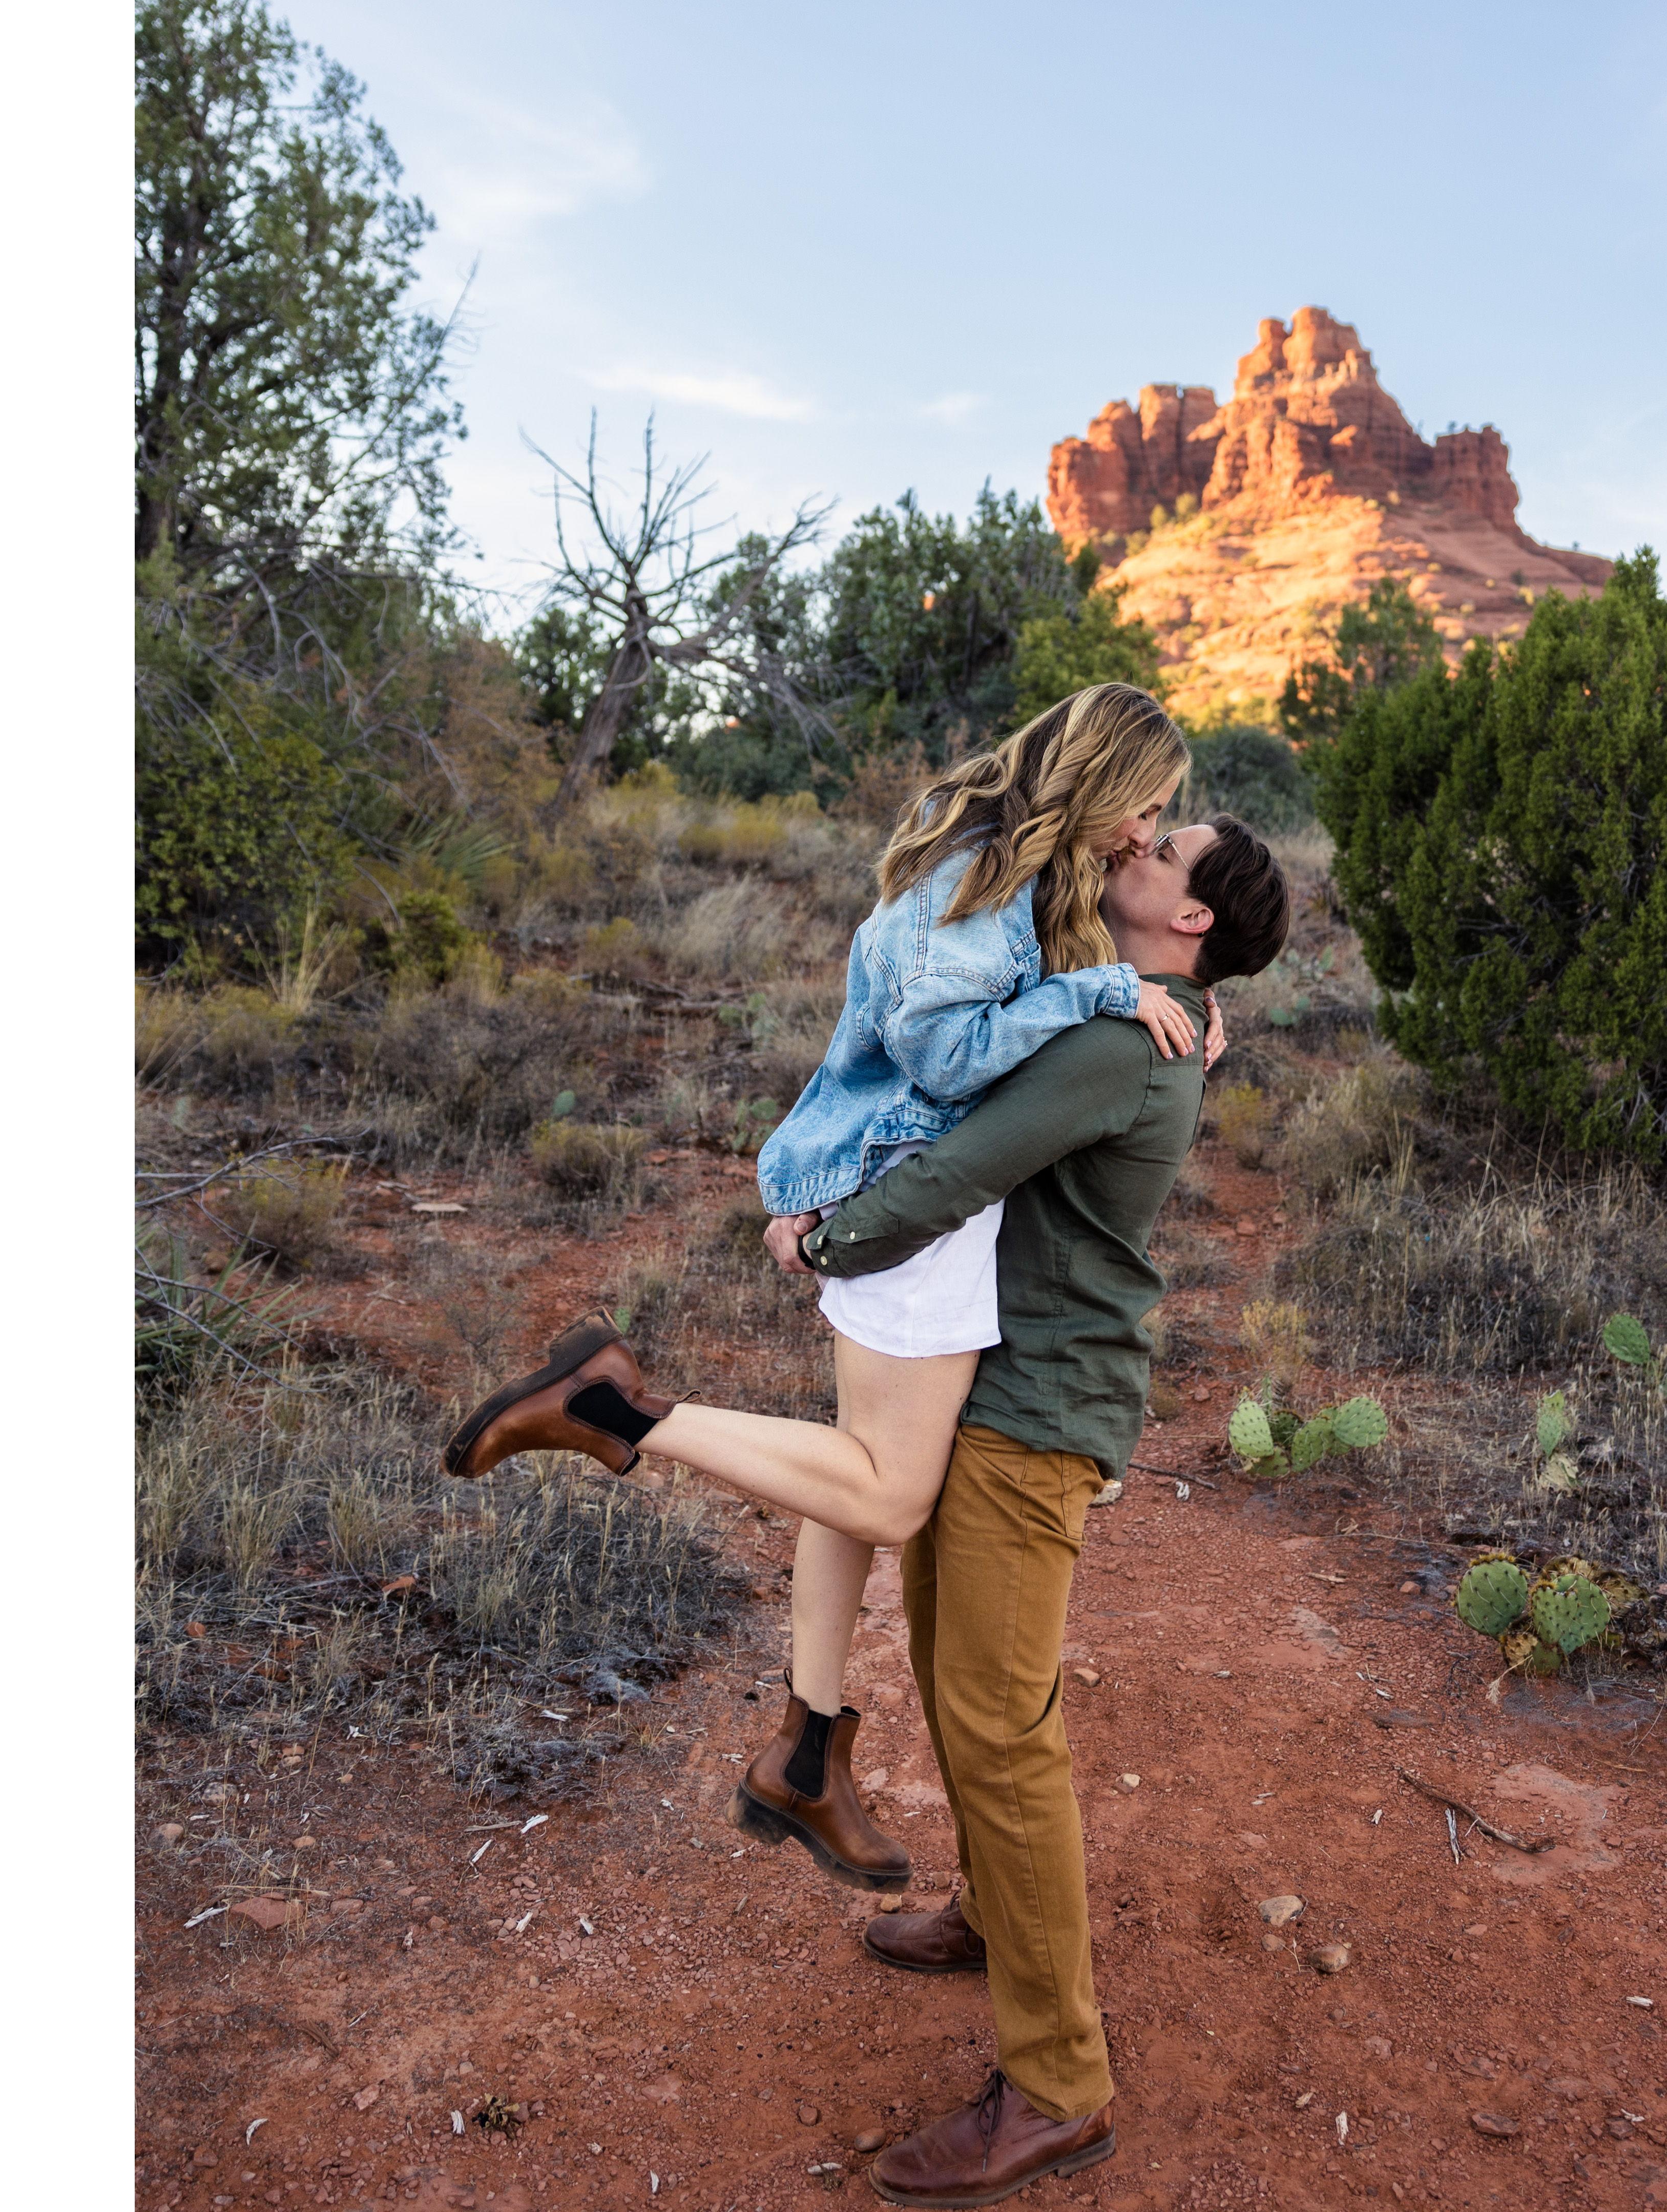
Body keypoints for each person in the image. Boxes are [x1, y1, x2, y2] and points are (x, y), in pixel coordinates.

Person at [447, 810, 1293, 2205]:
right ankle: (995, 1919)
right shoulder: (1134, 1010)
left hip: (1035, 1416)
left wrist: (825, 1238)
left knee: (1002, 1729)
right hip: (995, 1388)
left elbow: (961, 1168)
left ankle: (1060, 2088)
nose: (1133, 849)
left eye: (1163, 852)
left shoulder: (1119, 1044)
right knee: (963, 1689)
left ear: (1191, 919)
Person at [441, 682, 1224, 1891]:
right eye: (1151, 809)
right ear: (1105, 781)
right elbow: (949, 1055)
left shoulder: (1016, 862)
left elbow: (1068, 983)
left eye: (1163, 827)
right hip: (913, 1189)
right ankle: (609, 1409)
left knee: (849, 1476)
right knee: (888, 1495)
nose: (1144, 833)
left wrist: (1183, 996)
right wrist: (1107, 993)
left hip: (886, 1166)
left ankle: (806, 1754)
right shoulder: (989, 881)